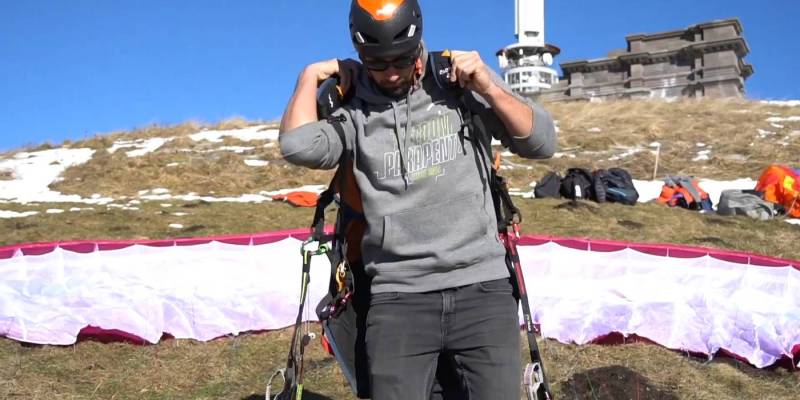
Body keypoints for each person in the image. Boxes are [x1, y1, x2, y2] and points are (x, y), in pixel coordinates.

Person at [279, 1, 556, 398]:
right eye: (377, 62)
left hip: (482, 288)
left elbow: (542, 142)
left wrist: (489, 87)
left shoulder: (457, 83)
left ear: (419, 43)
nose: (391, 72)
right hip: (397, 298)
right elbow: (298, 146)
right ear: (360, 54)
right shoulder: (355, 106)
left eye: (402, 60)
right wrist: (310, 76)